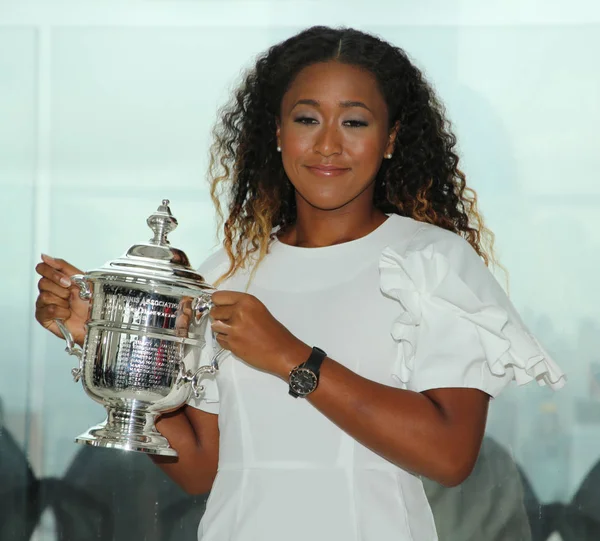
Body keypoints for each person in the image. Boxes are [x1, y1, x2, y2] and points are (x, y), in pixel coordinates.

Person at [34, 26, 565, 541]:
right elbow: (200, 469)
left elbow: (451, 455)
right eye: (307, 118)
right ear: (278, 132)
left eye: (354, 123)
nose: (328, 144)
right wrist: (105, 342)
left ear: (390, 140)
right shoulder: (228, 272)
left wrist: (292, 357)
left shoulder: (431, 261)